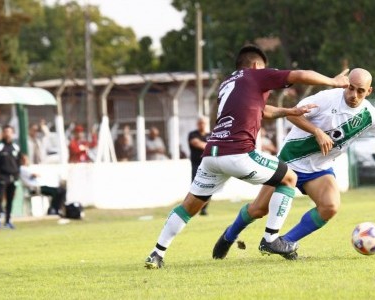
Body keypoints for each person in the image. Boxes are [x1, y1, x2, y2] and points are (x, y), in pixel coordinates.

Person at [144, 45, 349, 269]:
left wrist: (289, 112)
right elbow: (300, 75)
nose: (266, 71)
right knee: (288, 177)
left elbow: (263, 110)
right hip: (238, 153)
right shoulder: (256, 75)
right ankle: (271, 239)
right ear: (255, 65)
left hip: (212, 155)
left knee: (189, 206)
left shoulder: (228, 84)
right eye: (264, 67)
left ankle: (156, 254)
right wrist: (333, 81)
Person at [212, 68, 375, 260]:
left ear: (369, 92)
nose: (353, 94)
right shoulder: (326, 98)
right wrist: (317, 131)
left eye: (360, 91)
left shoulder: (370, 116)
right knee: (258, 209)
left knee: (330, 206)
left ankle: (283, 242)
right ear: (346, 85)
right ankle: (229, 236)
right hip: (290, 161)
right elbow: (292, 115)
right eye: (351, 87)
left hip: (319, 169)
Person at [0, 125, 23, 229]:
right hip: (2, 177)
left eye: (9, 132)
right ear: (3, 133)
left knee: (10, 199)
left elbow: (19, 162)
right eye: (5, 132)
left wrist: (17, 175)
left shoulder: (16, 146)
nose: (7, 134)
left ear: (12, 133)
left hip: (13, 177)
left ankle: (8, 220)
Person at [187, 116, 209, 215]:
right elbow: (197, 143)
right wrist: (211, 146)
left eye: (203, 123)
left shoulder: (211, 135)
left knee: (209, 187)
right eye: (200, 123)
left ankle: (203, 209)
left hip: (209, 165)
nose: (202, 125)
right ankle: (191, 209)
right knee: (195, 187)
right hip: (196, 164)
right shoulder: (193, 134)